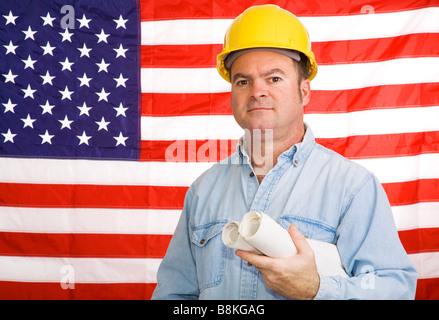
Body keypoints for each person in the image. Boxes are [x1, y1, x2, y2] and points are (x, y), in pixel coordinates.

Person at [151, 4, 417, 300]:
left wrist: (317, 290)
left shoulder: (352, 187)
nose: (256, 91)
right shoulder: (203, 190)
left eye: (274, 78)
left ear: (304, 91)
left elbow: (396, 289)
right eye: (243, 81)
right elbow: (174, 295)